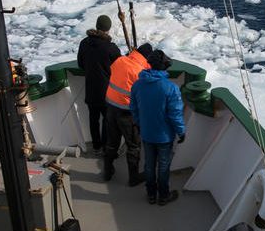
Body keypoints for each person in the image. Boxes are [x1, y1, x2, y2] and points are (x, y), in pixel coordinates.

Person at [130, 50, 185, 205]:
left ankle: (151, 195)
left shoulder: (138, 84)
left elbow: (133, 108)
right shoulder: (171, 88)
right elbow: (175, 114)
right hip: (164, 136)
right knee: (163, 166)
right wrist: (181, 132)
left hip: (147, 133)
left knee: (148, 165)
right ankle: (163, 196)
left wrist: (141, 124)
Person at [103, 43, 153, 185]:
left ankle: (107, 171)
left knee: (112, 142)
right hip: (127, 113)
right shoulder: (140, 72)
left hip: (111, 107)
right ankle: (133, 177)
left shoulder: (119, 60)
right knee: (133, 146)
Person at [76, 15, 122, 151]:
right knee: (107, 121)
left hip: (91, 89)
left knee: (93, 119)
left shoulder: (84, 43)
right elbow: (119, 68)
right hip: (107, 92)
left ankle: (96, 147)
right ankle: (106, 147)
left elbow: (81, 64)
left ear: (97, 27)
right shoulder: (111, 48)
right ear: (108, 29)